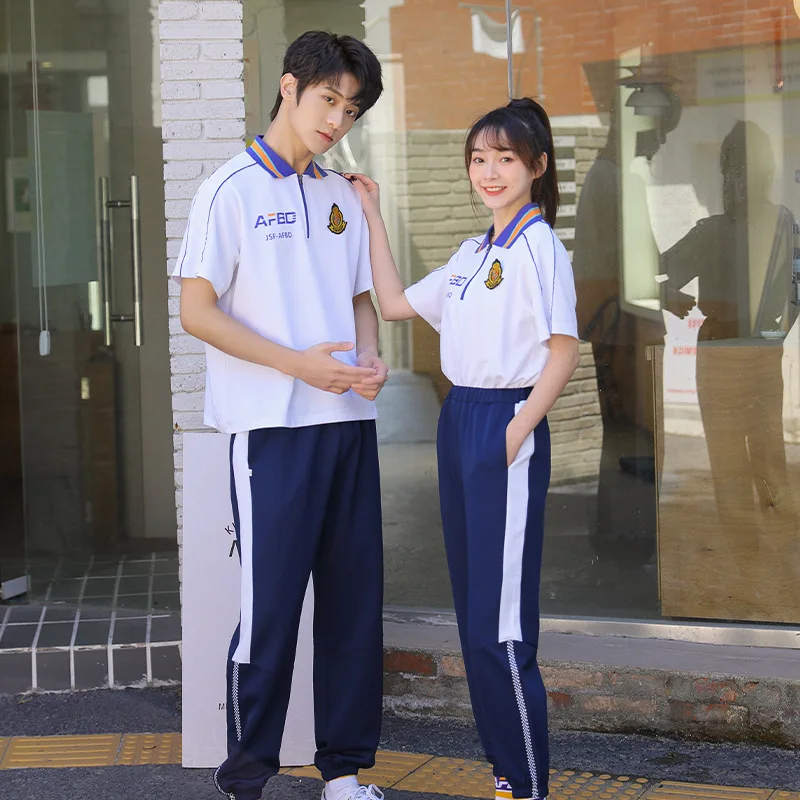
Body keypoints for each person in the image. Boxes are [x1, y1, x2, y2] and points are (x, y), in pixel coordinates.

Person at [174, 31, 387, 800]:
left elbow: (363, 297)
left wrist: (369, 359)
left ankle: (344, 772)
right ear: (290, 88)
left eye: (351, 108)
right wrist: (300, 366)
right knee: (269, 615)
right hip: (271, 431)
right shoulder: (228, 190)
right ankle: (247, 778)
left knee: (354, 608)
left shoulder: (339, 193)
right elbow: (196, 312)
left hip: (348, 429)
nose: (338, 118)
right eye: (329, 99)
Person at [348, 98, 579, 800]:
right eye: (479, 158)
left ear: (537, 167)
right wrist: (373, 216)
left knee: (501, 626)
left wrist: (517, 428)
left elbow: (563, 352)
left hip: (504, 420)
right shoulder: (475, 252)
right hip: (461, 420)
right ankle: (508, 776)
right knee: (476, 616)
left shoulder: (541, 248)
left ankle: (529, 786)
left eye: (505, 158)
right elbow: (391, 304)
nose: (489, 171)